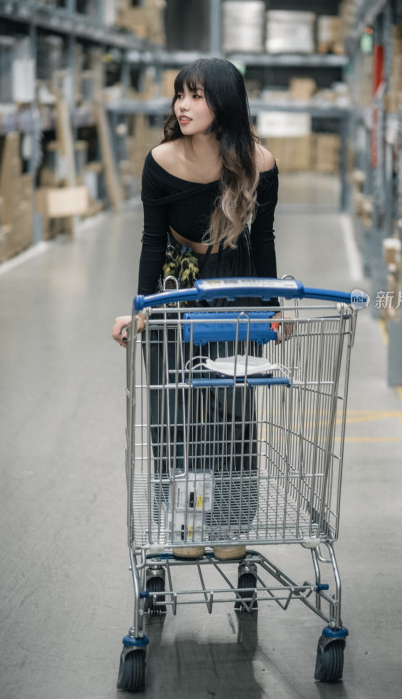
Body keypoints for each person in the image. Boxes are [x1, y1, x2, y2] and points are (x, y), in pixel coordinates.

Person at [112, 58, 280, 560]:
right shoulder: (161, 161)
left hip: (235, 282)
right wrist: (142, 308)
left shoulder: (260, 164)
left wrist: (274, 307)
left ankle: (230, 524)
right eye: (180, 95)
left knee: (231, 410)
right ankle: (186, 520)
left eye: (197, 96)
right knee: (174, 411)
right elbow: (150, 241)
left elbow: (264, 240)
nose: (183, 105)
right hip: (177, 285)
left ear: (224, 103)